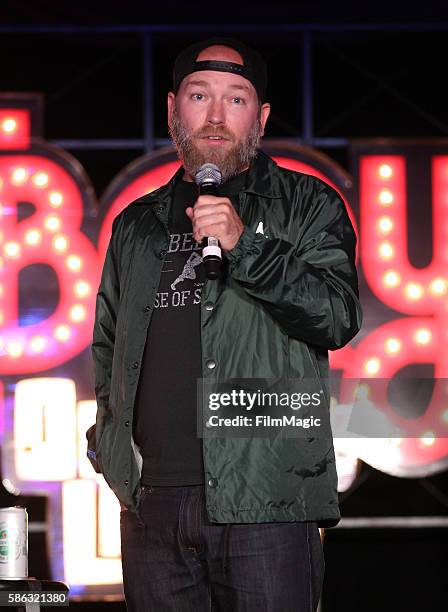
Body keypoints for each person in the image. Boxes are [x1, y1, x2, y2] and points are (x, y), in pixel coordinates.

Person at [87, 36, 363, 612]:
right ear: (172, 110)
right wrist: (111, 452)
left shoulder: (308, 204)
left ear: (259, 117)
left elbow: (337, 316)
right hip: (154, 505)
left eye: (236, 99)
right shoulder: (137, 225)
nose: (215, 116)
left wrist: (244, 246)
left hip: (266, 501)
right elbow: (108, 347)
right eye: (199, 95)